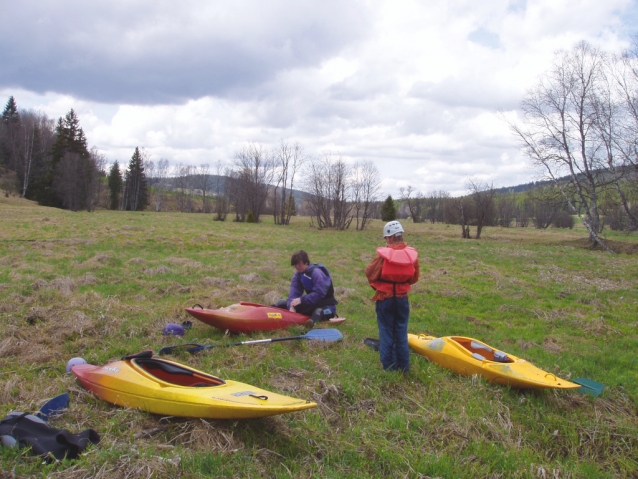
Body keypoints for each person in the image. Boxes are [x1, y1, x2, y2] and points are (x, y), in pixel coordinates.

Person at [365, 221, 419, 372]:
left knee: (386, 331)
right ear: (401, 236)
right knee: (401, 332)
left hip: (385, 299)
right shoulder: (411, 256)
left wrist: (380, 286)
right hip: (402, 300)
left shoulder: (383, 257)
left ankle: (389, 367)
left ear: (388, 238)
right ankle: (404, 367)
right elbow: (414, 278)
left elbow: (370, 273)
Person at [274, 250, 338, 328]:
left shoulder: (317, 273)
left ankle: (310, 324)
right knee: (281, 302)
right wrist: (291, 306)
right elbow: (294, 292)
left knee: (318, 311)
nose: (297, 267)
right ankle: (265, 312)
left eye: (299, 264)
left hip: (327, 306)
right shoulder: (298, 275)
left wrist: (302, 300)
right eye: (295, 265)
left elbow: (319, 293)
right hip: (311, 303)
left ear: (306, 262)